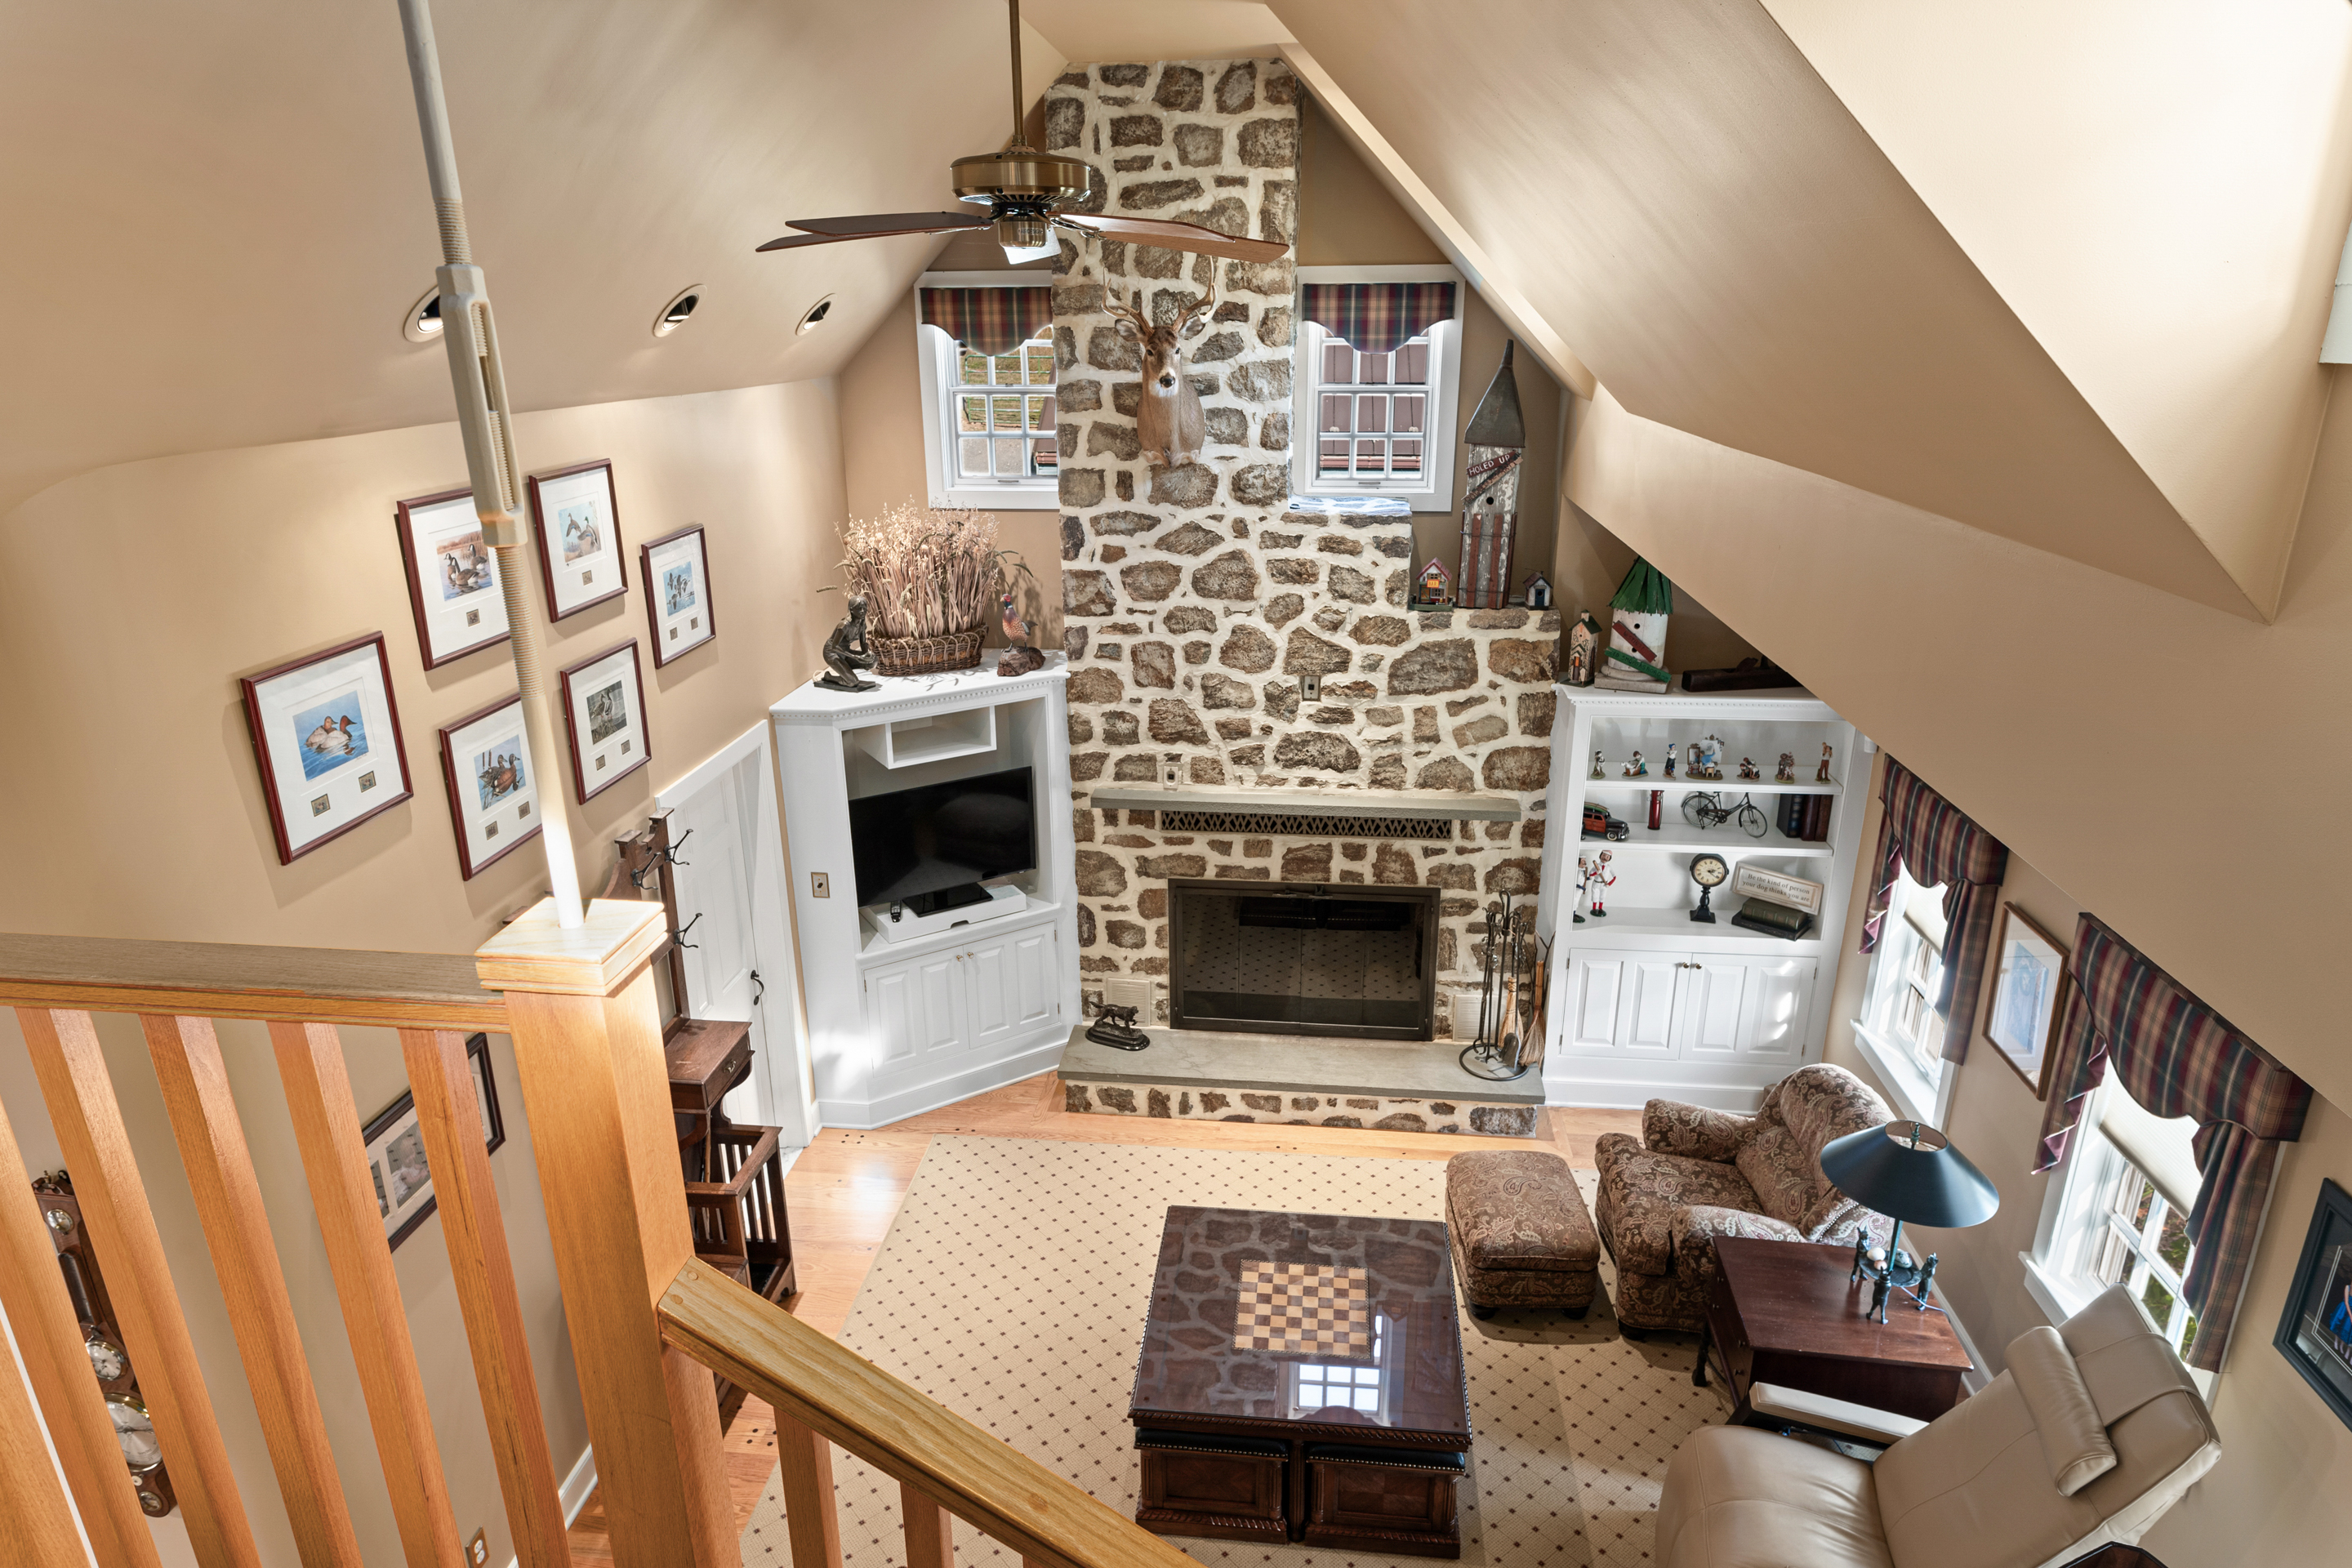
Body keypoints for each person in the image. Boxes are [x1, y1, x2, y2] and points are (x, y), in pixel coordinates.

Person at [1588, 850, 1616, 917]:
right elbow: (1590, 875)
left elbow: (1614, 877)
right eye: (1603, 855)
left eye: (1607, 856)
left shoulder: (1609, 867)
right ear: (1600, 855)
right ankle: (1594, 909)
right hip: (1596, 884)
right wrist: (1596, 873)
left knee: (1602, 896)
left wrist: (1609, 884)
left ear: (1609, 858)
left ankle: (1600, 908)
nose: (1605, 858)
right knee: (1595, 896)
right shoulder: (1596, 866)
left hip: (1604, 885)